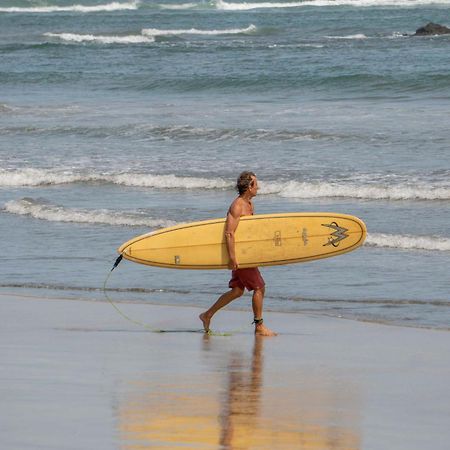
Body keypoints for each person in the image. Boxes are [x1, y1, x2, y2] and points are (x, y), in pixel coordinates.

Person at [199, 171, 277, 336]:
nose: (258, 187)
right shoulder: (238, 205)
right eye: (256, 184)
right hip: (240, 256)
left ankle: (207, 315)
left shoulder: (249, 204)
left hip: (245, 252)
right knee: (259, 288)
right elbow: (229, 233)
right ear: (249, 187)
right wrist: (233, 258)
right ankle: (259, 326)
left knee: (237, 291)